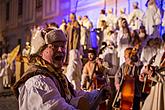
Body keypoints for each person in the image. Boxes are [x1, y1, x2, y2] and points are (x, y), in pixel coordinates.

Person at [13, 27, 110, 110]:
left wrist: (98, 94)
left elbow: (73, 95)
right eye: (54, 46)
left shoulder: (56, 75)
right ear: (41, 51)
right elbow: (56, 107)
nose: (60, 50)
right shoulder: (38, 81)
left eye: (63, 46)